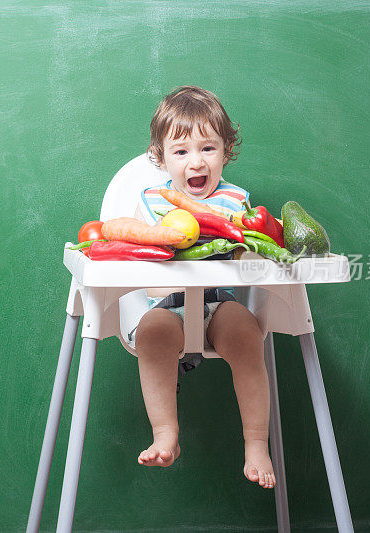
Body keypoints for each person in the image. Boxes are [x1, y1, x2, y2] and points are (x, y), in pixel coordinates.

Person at [129, 86, 276, 489]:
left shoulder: (236, 202)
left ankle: (256, 443)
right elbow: (135, 251)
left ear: (226, 152)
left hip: (218, 304)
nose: (196, 161)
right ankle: (165, 434)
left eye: (208, 149)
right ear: (160, 158)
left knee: (246, 331)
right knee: (151, 333)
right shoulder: (153, 203)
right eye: (181, 152)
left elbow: (251, 251)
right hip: (167, 305)